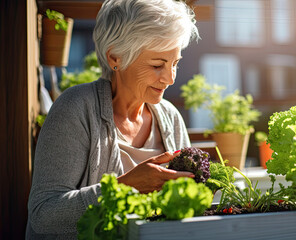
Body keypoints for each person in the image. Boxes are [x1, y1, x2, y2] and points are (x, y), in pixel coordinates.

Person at [26, 0, 199, 238]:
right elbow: (44, 215)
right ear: (115, 58)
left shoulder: (170, 117)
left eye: (175, 63)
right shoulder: (75, 109)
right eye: (157, 65)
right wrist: (125, 187)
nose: (170, 78)